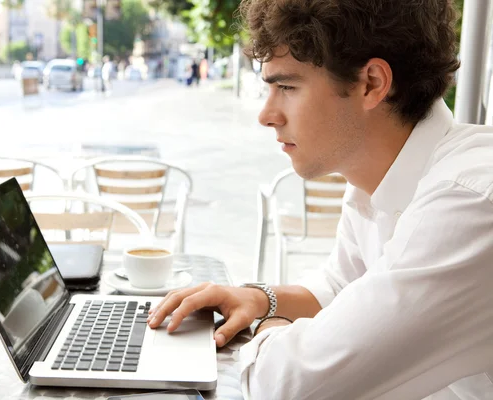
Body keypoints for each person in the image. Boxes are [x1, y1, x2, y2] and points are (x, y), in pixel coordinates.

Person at [147, 0, 493, 399]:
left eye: (287, 87)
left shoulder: (470, 201)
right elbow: (339, 287)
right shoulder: (375, 175)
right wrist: (259, 299)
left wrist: (265, 328)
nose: (267, 114)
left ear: (371, 84)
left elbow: (289, 385)